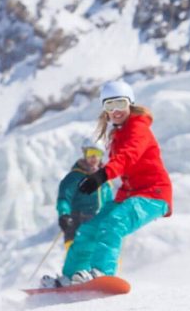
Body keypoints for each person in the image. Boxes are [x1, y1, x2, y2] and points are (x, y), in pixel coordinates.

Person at [41, 80, 173, 287]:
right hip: (129, 195)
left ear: (130, 104)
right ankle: (71, 276)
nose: (116, 111)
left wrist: (102, 176)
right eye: (109, 106)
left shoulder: (138, 128)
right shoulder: (118, 133)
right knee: (89, 229)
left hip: (153, 194)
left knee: (114, 223)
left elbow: (129, 156)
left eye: (120, 104)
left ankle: (102, 272)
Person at [56, 143, 114, 249]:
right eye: (91, 153)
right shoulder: (75, 177)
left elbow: (109, 203)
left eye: (97, 154)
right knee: (78, 260)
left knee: (104, 257)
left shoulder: (104, 179)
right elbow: (64, 197)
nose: (94, 158)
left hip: (99, 226)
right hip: (78, 224)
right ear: (85, 154)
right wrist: (64, 214)